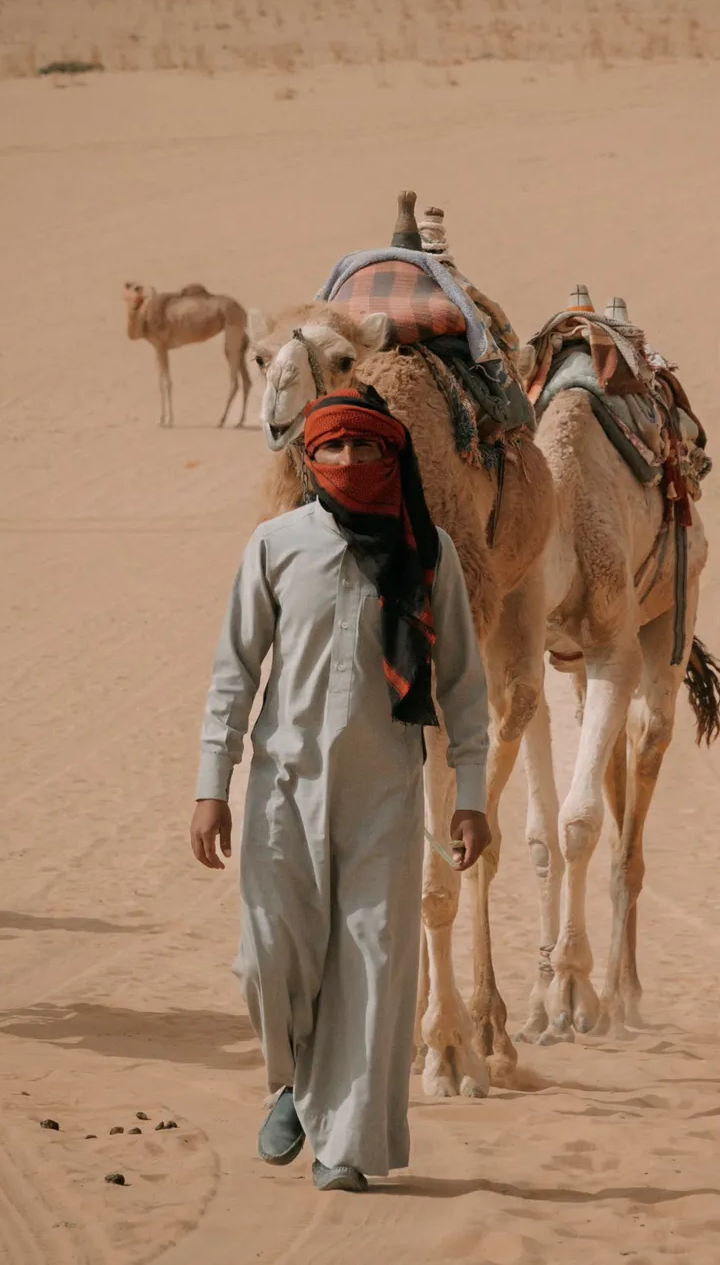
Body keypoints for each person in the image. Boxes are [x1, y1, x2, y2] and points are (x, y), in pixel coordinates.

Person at [190, 385, 491, 1194]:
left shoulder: (429, 554)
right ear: (308, 457)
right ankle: (291, 1083)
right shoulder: (276, 545)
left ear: (392, 457)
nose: (350, 460)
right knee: (266, 957)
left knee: (374, 965)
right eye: (334, 446)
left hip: (385, 792)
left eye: (366, 447)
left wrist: (471, 792)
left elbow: (465, 685)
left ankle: (345, 1146)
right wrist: (212, 783)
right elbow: (235, 671)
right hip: (284, 788)